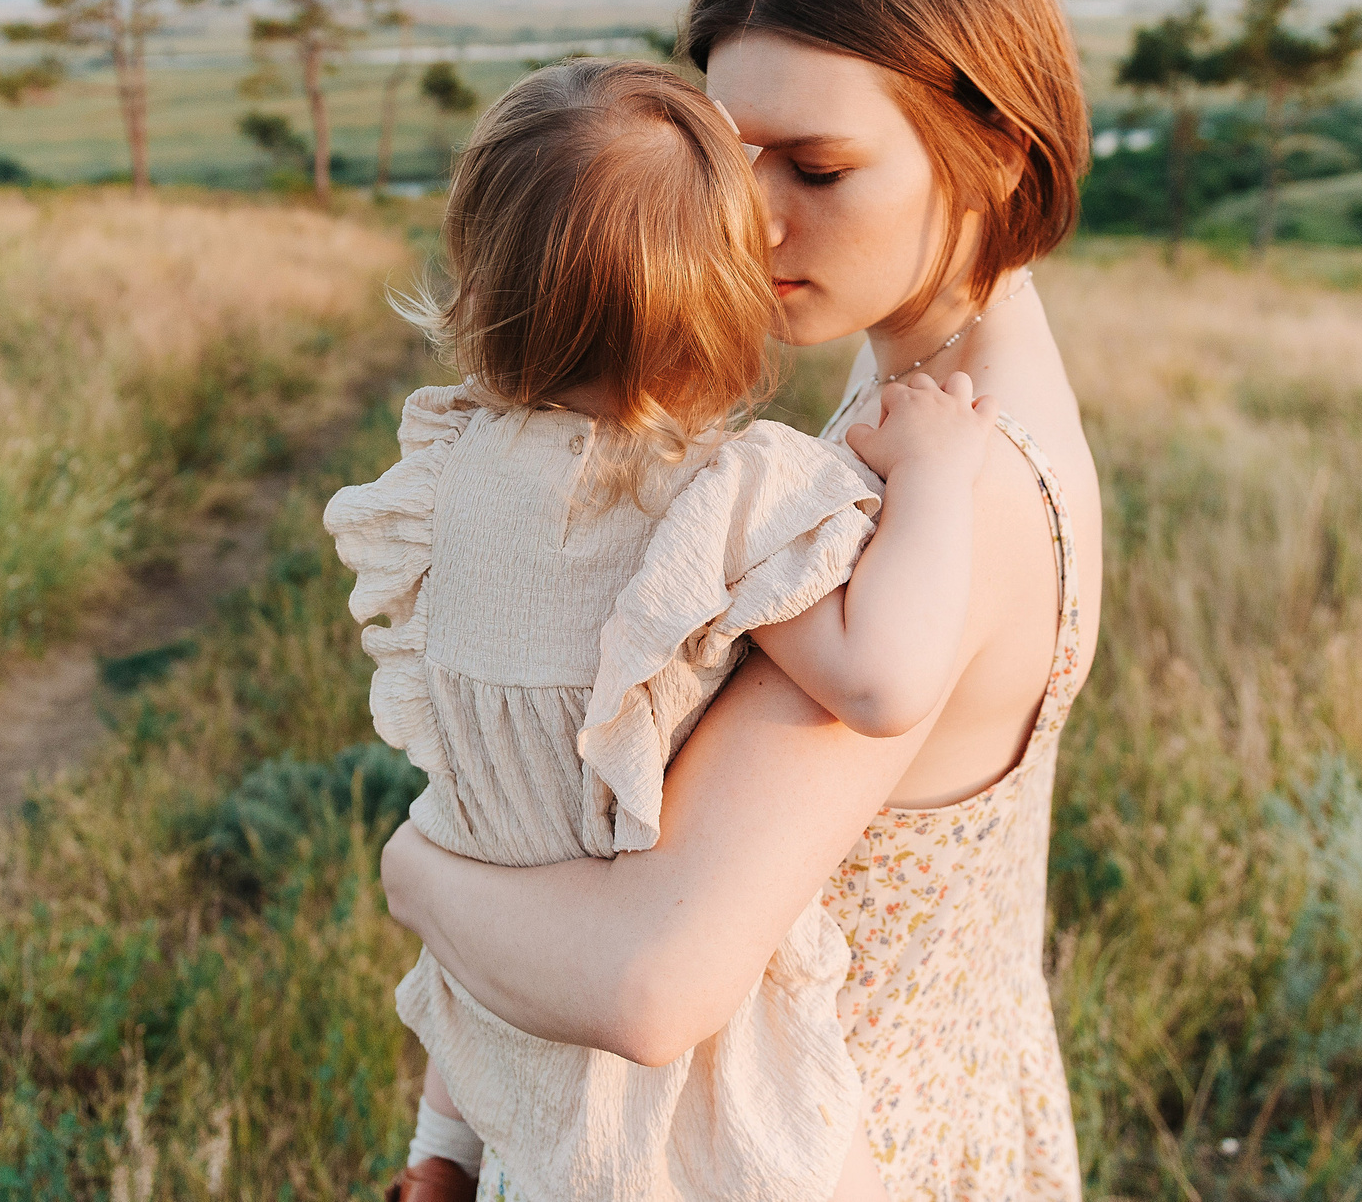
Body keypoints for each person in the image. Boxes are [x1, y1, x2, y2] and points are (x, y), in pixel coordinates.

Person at [379, 0, 1104, 1200]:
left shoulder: (933, 501)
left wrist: (413, 869)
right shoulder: (938, 413)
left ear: (998, 150)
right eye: (728, 158)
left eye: (817, 167)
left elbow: (653, 980)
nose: (750, 217)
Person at [326, 59, 1003, 1201]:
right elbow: (883, 681)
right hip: (695, 1119)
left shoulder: (445, 485)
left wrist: (444, 1144)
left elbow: (483, 823)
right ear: (726, 299)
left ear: (480, 281)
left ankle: (431, 1161)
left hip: (520, 1072)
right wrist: (935, 473)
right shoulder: (717, 502)